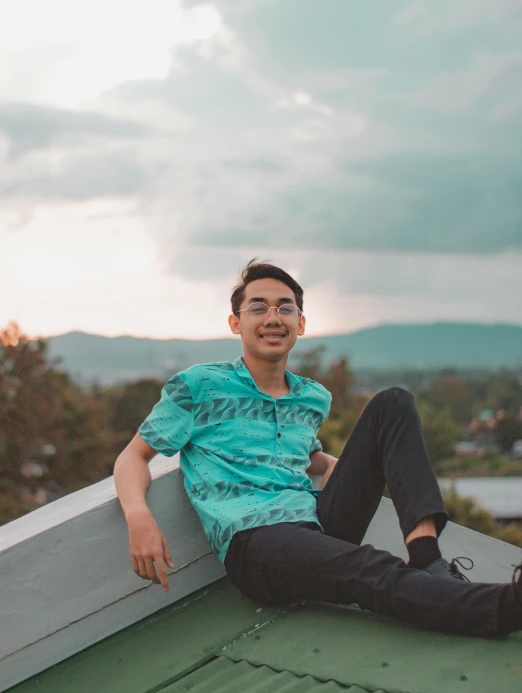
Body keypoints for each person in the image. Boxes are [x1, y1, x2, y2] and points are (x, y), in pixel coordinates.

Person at [114, 259, 522, 637]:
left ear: (301, 323)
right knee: (369, 568)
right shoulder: (200, 386)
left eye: (285, 308)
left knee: (393, 401)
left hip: (314, 522)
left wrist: (336, 466)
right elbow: (134, 455)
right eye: (258, 308)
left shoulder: (311, 397)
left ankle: (428, 556)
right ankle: (503, 609)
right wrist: (139, 517)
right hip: (255, 544)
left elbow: (303, 455)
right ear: (235, 323)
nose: (273, 318)